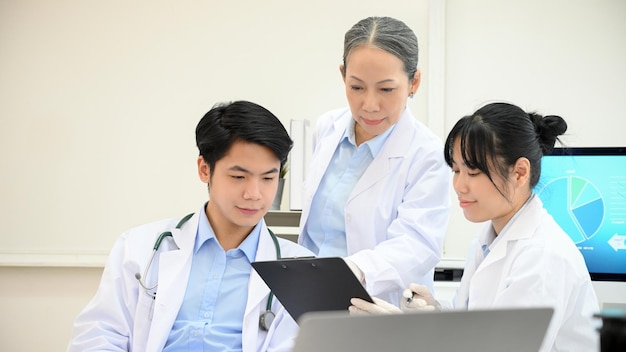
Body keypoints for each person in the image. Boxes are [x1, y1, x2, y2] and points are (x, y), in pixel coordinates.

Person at [350, 102, 600, 351]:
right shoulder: (491, 237)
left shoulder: (544, 257)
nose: (459, 185)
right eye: (456, 170)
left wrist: (404, 335)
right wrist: (434, 313)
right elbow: (475, 326)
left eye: (473, 172)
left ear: (520, 172)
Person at [67, 101, 314, 352]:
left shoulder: (301, 270)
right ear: (204, 169)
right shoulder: (139, 247)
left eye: (268, 178)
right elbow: (99, 335)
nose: (254, 194)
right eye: (239, 177)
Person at [297, 16, 451, 305]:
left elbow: (417, 244)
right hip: (310, 297)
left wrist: (356, 269)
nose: (369, 104)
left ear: (414, 81)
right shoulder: (326, 128)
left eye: (386, 89)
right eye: (356, 87)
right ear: (343, 75)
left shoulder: (427, 154)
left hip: (376, 306)